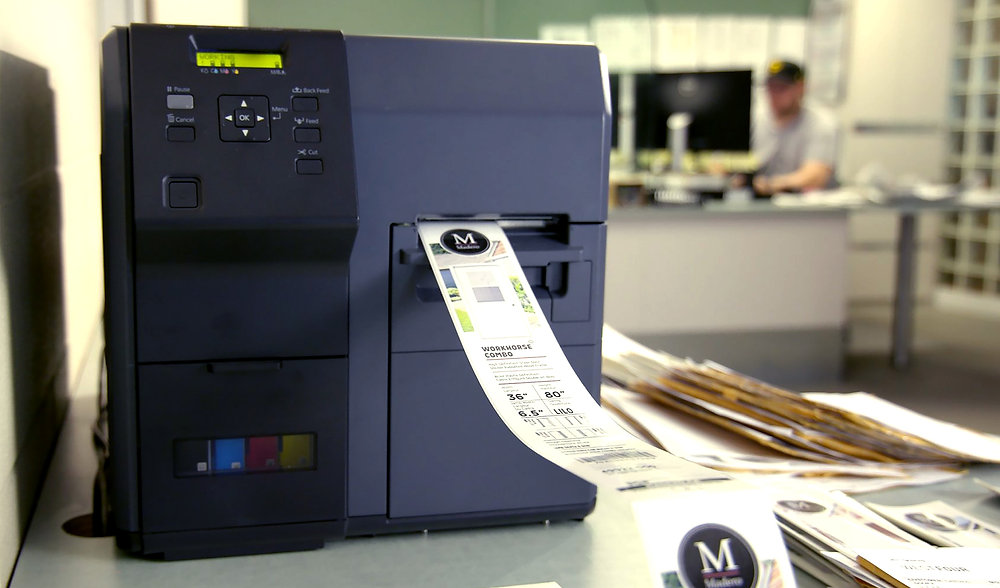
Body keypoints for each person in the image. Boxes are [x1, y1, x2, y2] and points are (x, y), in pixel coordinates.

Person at [752, 60, 837, 196]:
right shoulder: (755, 120)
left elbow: (815, 176)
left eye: (781, 88)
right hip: (759, 204)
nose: (773, 94)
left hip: (806, 209)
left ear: (800, 87)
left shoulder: (821, 124)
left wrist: (771, 185)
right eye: (770, 87)